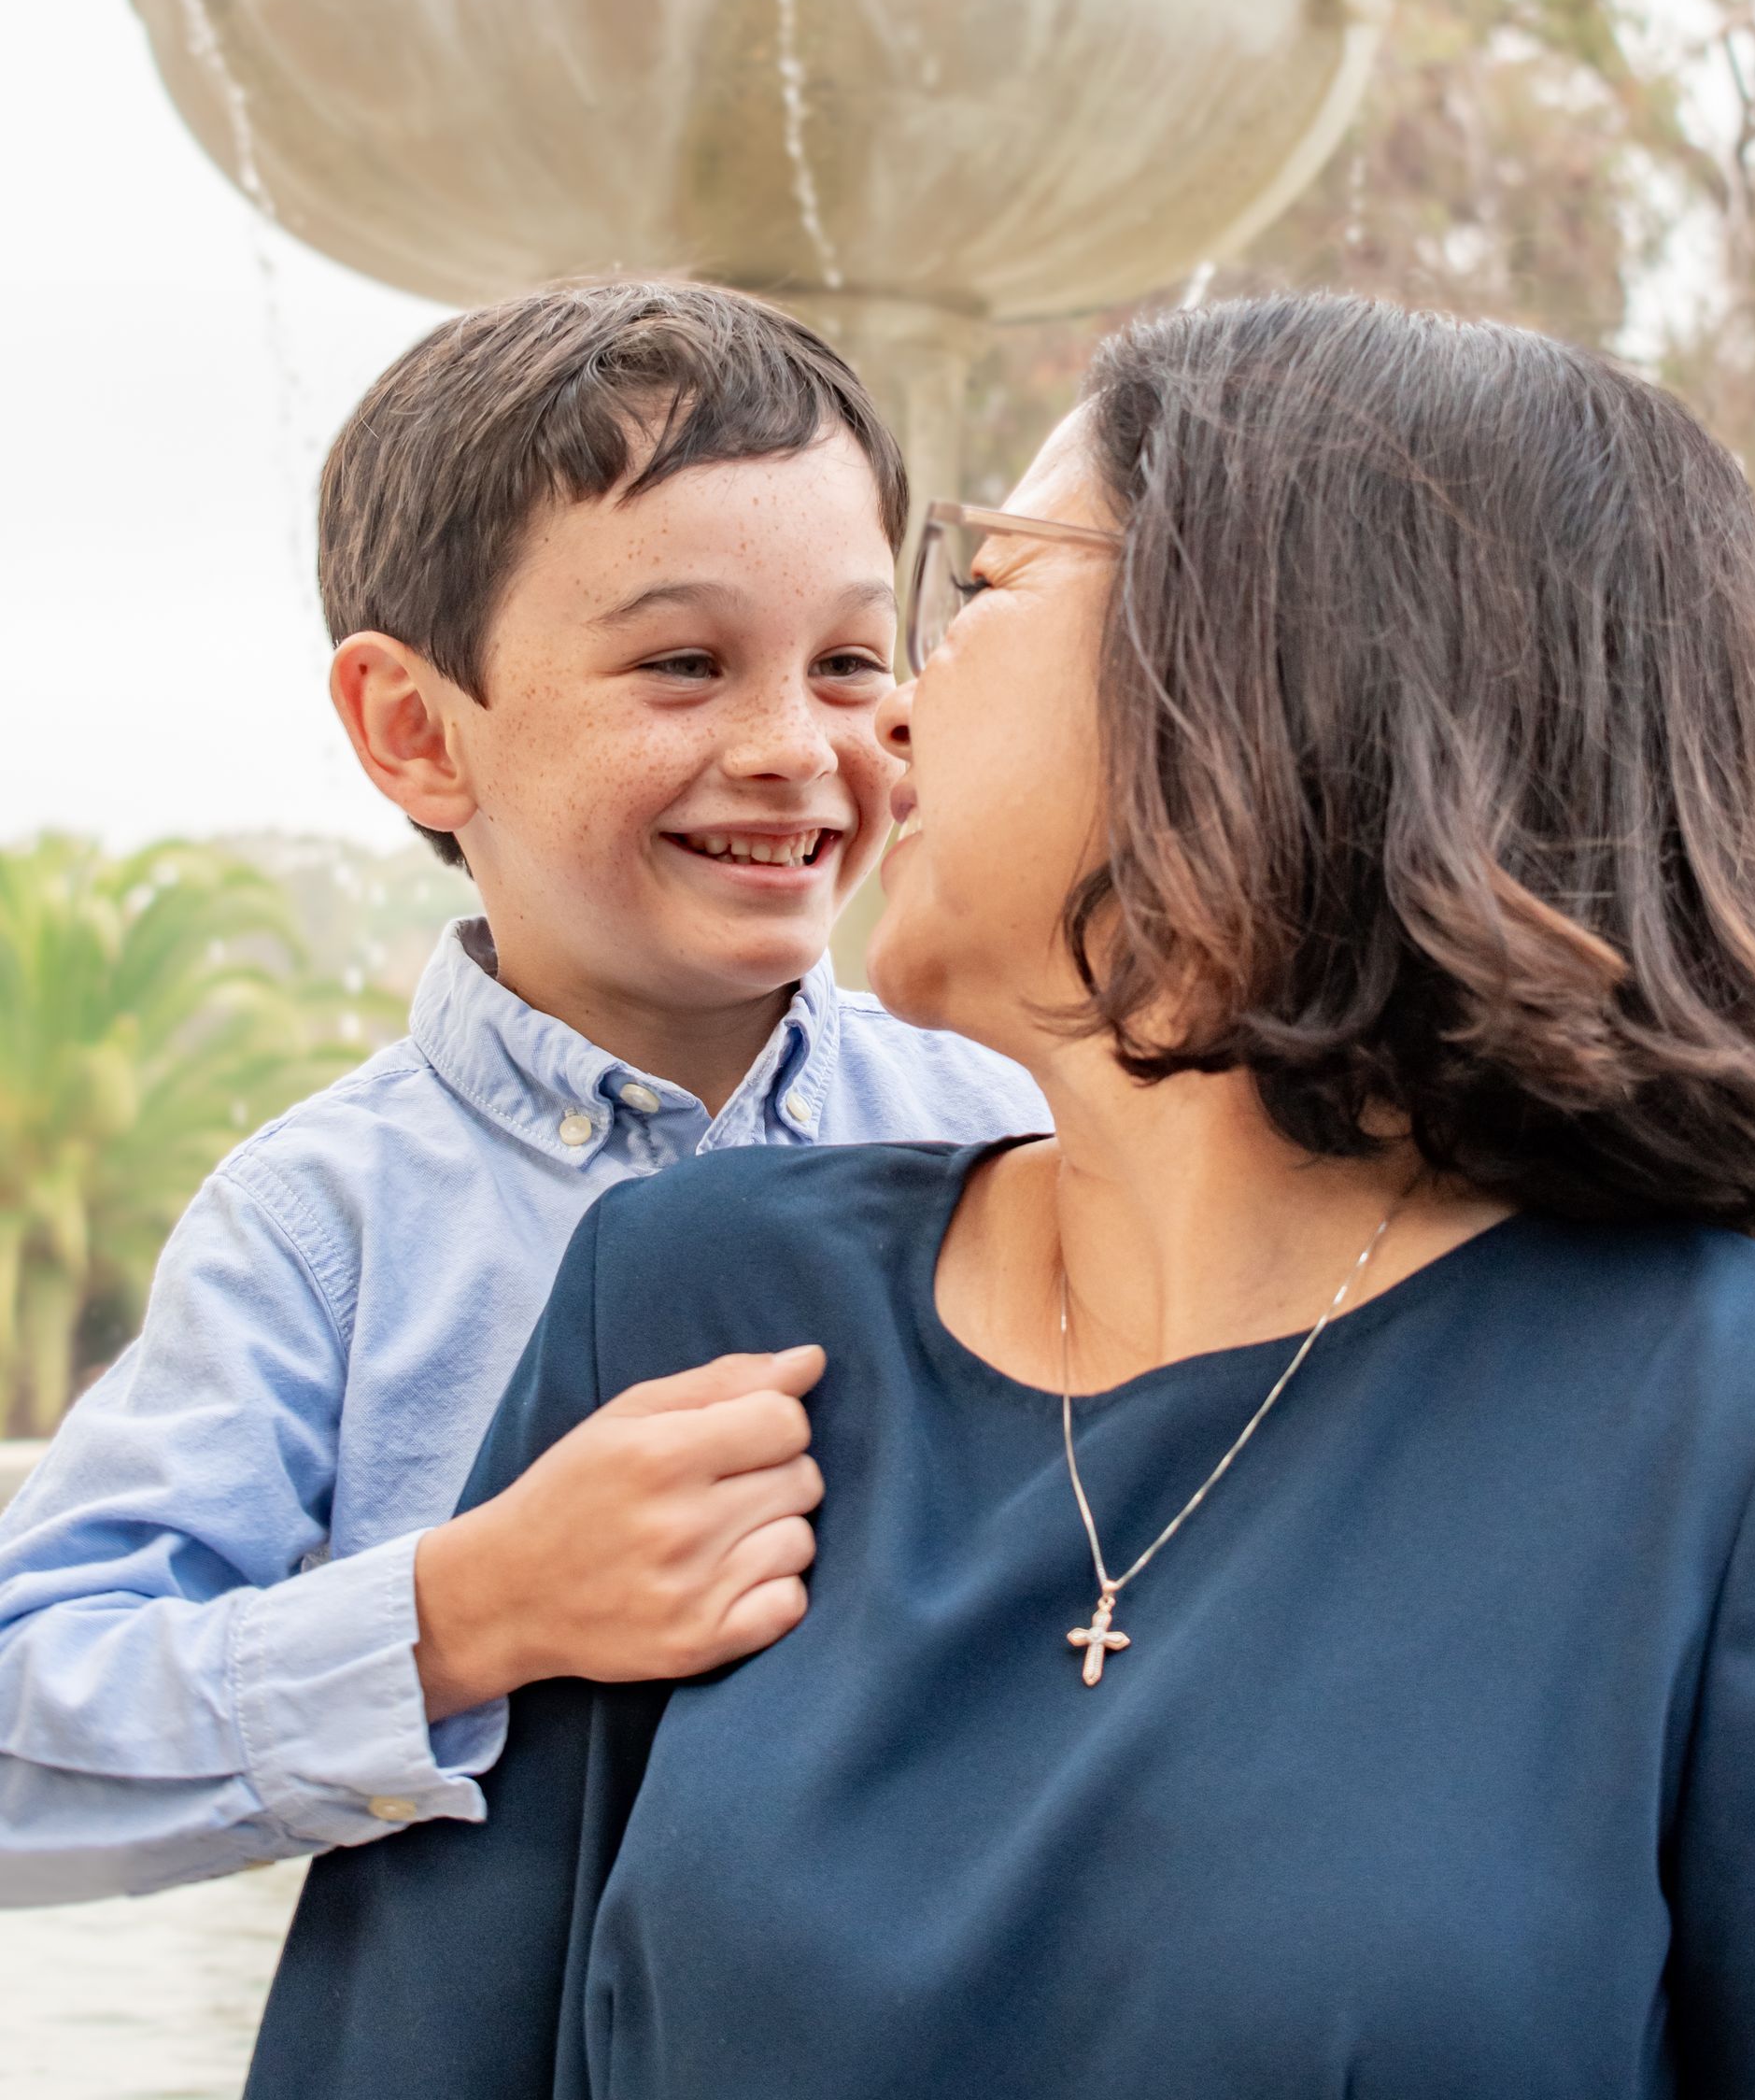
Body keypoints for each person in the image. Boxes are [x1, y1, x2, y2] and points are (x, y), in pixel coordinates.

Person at [252, 291, 1755, 2100]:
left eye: (984, 588)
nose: (887, 709)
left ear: (1265, 670)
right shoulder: (689, 1300)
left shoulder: (1726, 1426)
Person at [0, 280, 1044, 1906]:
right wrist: (470, 1612)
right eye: (686, 663)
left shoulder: (1008, 1124)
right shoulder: (327, 1230)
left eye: (849, 661)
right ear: (416, 729)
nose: (795, 744)